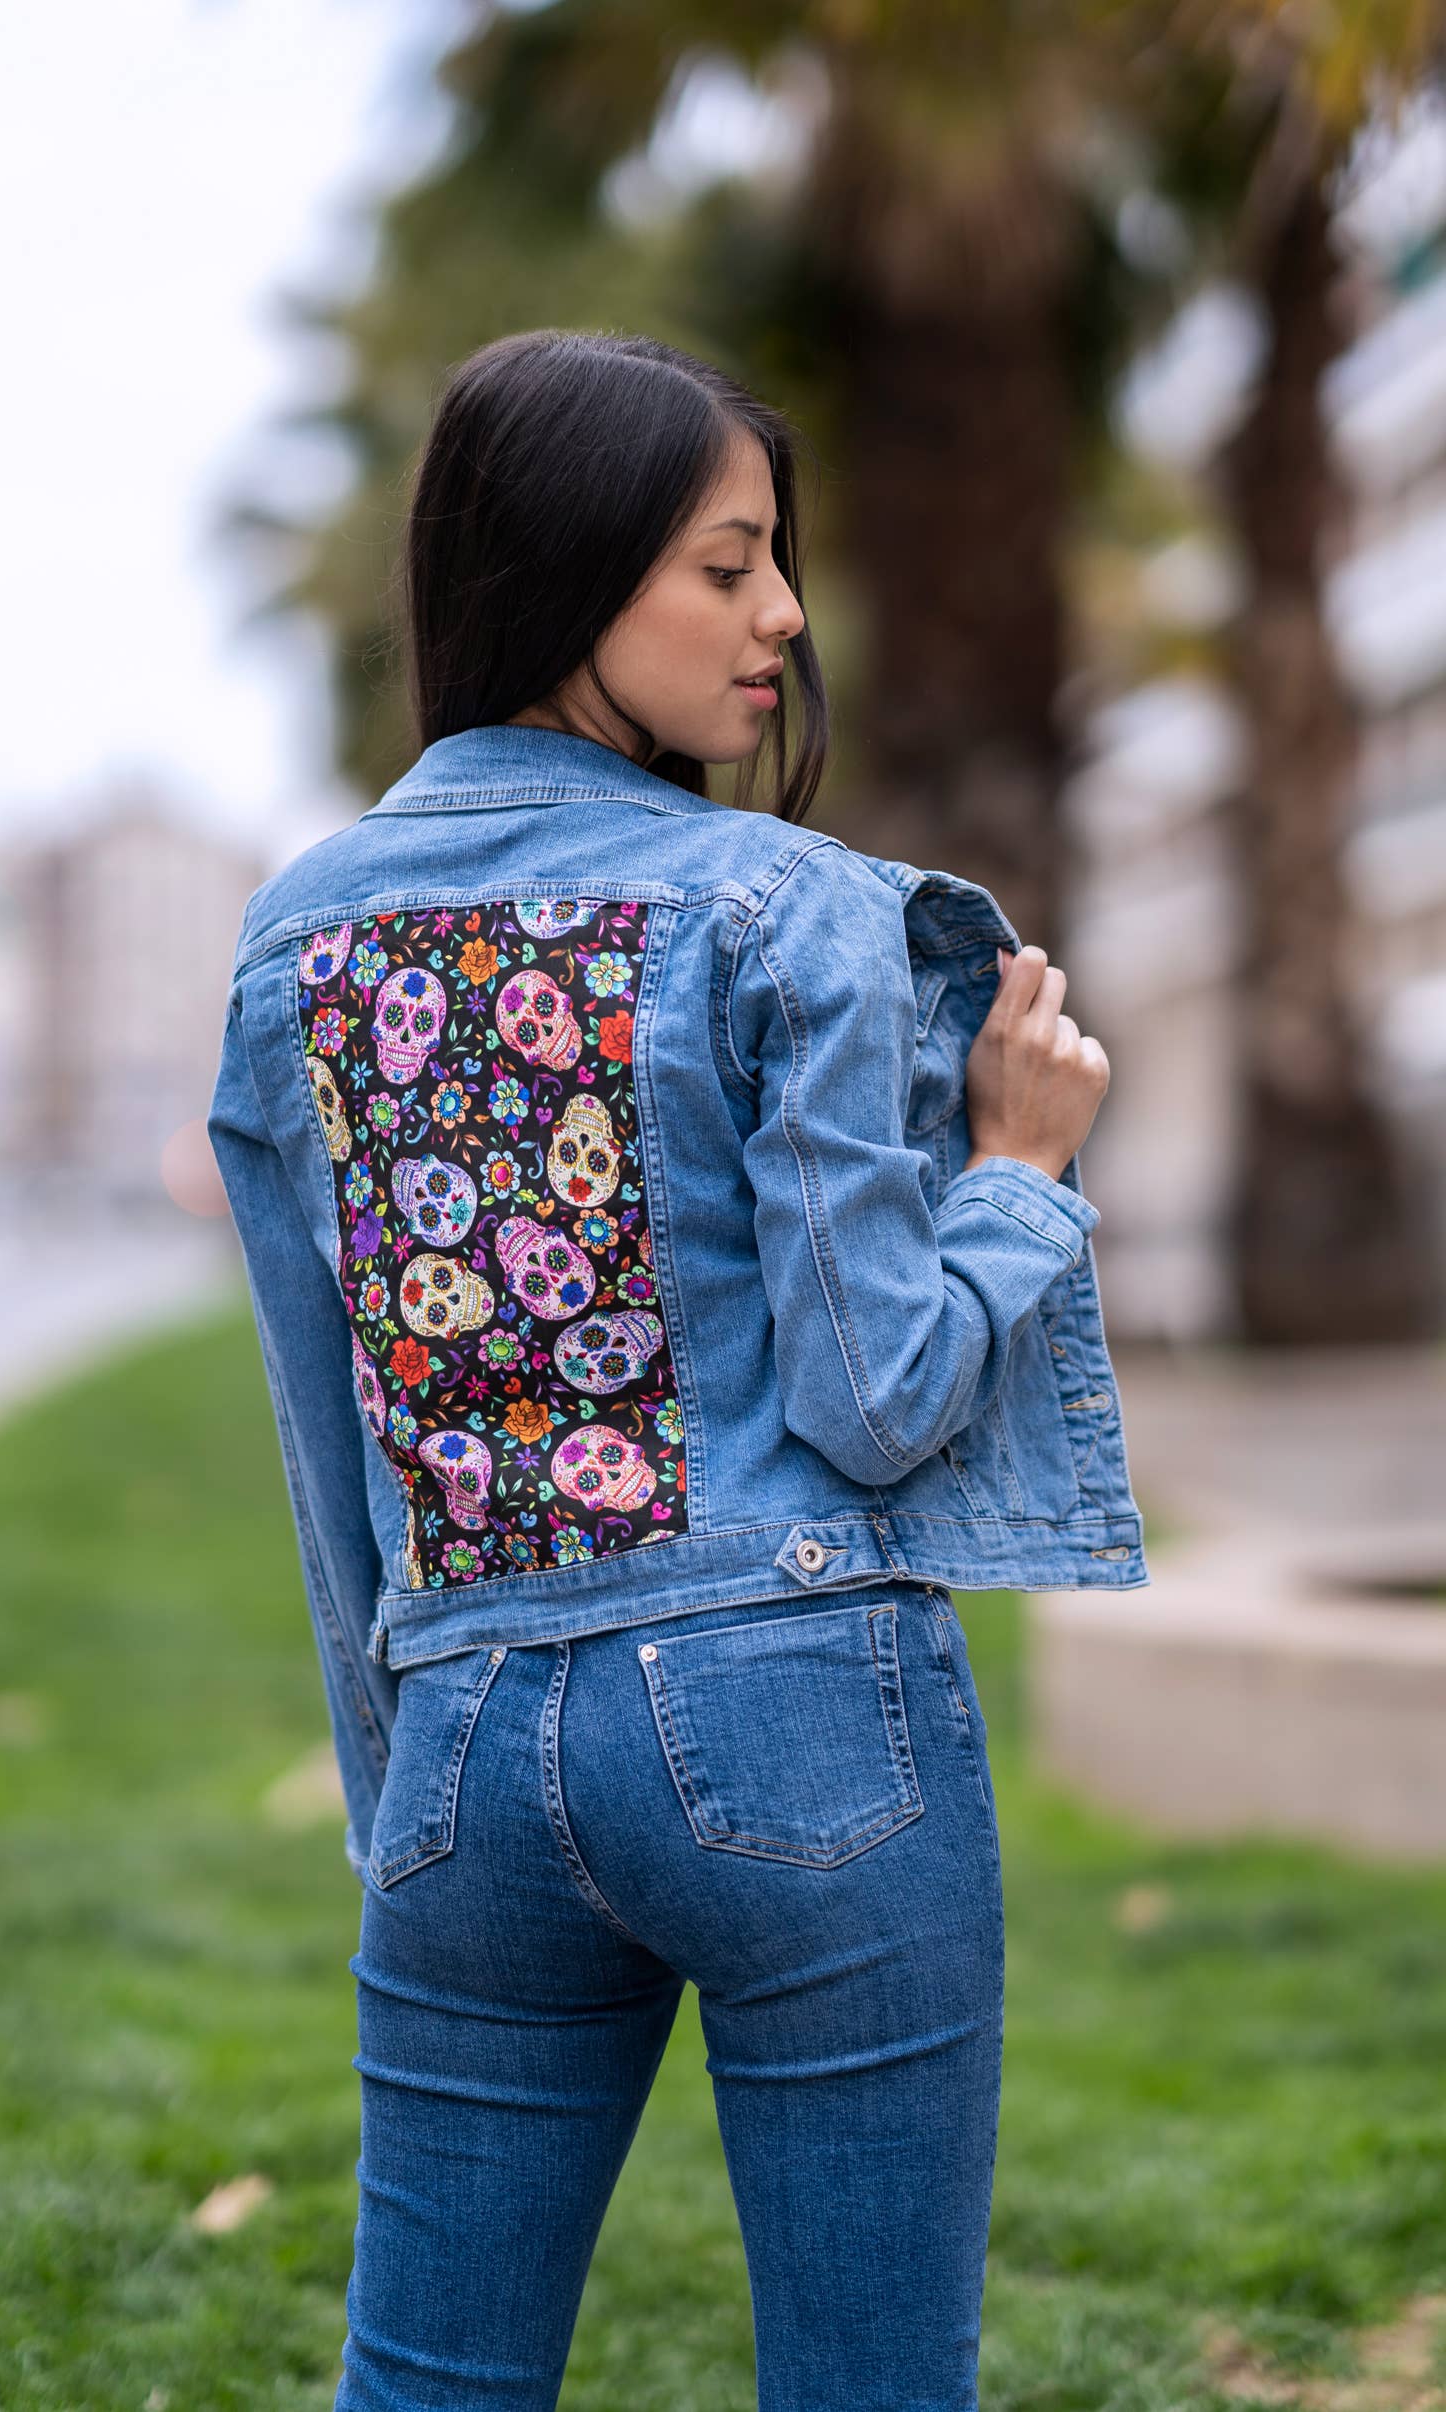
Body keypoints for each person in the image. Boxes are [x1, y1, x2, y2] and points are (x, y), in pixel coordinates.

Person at [207, 327, 1146, 2412]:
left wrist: (400, 1798)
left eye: (776, 561)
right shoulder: (783, 906)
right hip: (801, 1732)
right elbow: (880, 1401)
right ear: (567, 570)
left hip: (460, 1750)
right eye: (728, 565)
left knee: (426, 2383)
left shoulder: (295, 944)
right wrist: (1016, 1179)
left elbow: (328, 1453)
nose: (785, 613)